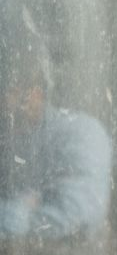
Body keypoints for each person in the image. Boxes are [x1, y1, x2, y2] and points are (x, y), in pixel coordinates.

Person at [0, 30, 111, 239]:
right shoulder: (7, 144)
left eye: (9, 90)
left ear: (36, 92)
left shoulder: (81, 134)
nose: (4, 103)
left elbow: (75, 216)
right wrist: (25, 205)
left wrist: (14, 215)